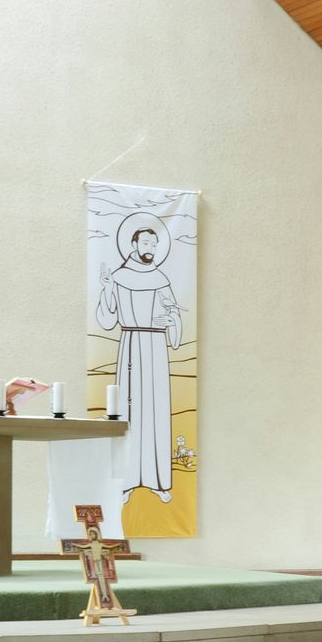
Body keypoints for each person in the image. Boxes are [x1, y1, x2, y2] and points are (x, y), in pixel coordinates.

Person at [96, 215, 182, 503]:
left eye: (154, 244)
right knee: (131, 411)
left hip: (156, 347)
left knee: (155, 409)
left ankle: (158, 480)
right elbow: (107, 319)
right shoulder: (119, 277)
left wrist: (168, 320)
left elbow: (174, 313)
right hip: (132, 344)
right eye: (146, 242)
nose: (150, 248)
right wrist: (107, 287)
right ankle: (128, 481)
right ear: (133, 244)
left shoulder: (160, 278)